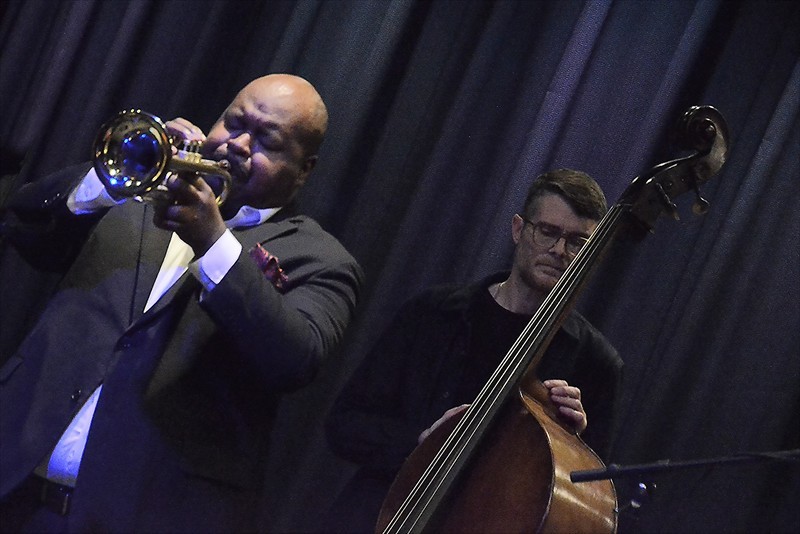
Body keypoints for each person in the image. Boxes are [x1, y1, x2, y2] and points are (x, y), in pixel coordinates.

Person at [0, 74, 363, 532]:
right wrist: (115, 177)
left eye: (267, 141)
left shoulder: (321, 259)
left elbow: (294, 359)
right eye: (234, 122)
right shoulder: (139, 192)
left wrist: (213, 242)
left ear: (304, 169)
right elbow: (24, 227)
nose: (237, 144)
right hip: (13, 483)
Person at [323, 168, 623, 532]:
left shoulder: (596, 363)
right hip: (377, 515)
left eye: (577, 242)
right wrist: (421, 445)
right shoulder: (432, 313)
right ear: (518, 229)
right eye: (547, 231)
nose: (559, 251)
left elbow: (589, 500)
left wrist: (575, 442)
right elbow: (345, 424)